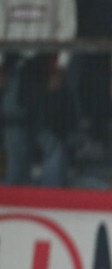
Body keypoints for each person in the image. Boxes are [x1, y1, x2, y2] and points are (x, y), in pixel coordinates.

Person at [0, 0, 76, 187]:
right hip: (14, 64)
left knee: (50, 131)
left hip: (47, 64)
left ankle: (53, 190)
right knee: (14, 132)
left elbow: (67, 26)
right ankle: (14, 190)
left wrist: (61, 65)